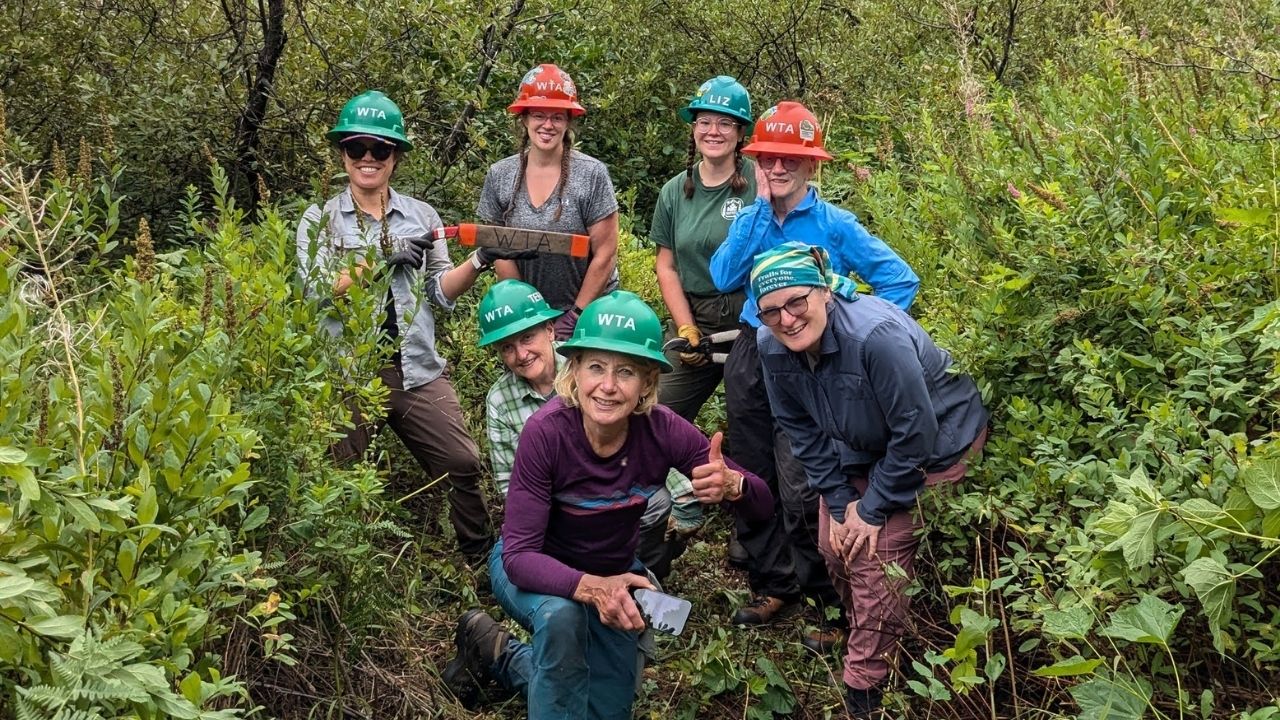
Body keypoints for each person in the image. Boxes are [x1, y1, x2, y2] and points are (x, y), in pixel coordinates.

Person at [443, 291, 774, 719]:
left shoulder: (662, 430)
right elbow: (521, 556)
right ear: (575, 371)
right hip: (531, 565)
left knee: (603, 707)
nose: (608, 386)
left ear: (647, 383)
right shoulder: (546, 434)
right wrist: (594, 588)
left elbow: (763, 506)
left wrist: (734, 486)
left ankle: (498, 653)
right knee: (564, 621)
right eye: (596, 367)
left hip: (614, 571)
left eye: (627, 372)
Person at [707, 101, 920, 642]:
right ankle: (773, 584)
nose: (779, 170)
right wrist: (758, 209)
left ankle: (829, 605)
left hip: (815, 359)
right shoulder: (753, 214)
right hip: (755, 351)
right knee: (752, 471)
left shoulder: (834, 224)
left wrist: (851, 307)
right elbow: (723, 274)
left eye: (790, 161)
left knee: (804, 482)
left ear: (811, 166)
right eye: (768, 159)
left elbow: (902, 283)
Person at [750, 243, 989, 718]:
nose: (787, 319)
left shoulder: (875, 337)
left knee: (873, 553)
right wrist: (841, 505)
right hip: (857, 446)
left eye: (797, 302)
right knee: (832, 542)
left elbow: (916, 432)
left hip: (937, 444)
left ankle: (865, 686)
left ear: (824, 292)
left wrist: (874, 507)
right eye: (771, 311)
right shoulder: (769, 344)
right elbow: (800, 428)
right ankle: (871, 623)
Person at [295, 90, 529, 561]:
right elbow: (316, 290)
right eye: (356, 147)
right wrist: (382, 259)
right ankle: (340, 565)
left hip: (416, 368)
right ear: (343, 154)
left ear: (395, 157)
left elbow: (440, 292)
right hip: (348, 374)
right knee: (334, 476)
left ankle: (482, 561)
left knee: (462, 463)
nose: (368, 158)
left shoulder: (422, 216)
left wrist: (481, 260)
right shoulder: (318, 219)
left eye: (380, 149)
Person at [477, 279, 680, 579]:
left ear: (549, 330)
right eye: (508, 347)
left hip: (621, 489)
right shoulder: (500, 399)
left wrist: (682, 492)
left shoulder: (591, 360)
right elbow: (509, 482)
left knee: (658, 502)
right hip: (558, 506)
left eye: (527, 338)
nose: (521, 354)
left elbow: (648, 429)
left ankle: (641, 574)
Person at [477, 63, 620, 340]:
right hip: (530, 316)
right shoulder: (501, 175)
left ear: (568, 122)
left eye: (557, 117)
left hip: (590, 313)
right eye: (539, 115)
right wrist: (522, 314)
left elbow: (605, 253)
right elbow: (498, 249)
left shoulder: (591, 174)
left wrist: (577, 314)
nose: (548, 125)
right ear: (525, 119)